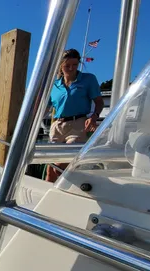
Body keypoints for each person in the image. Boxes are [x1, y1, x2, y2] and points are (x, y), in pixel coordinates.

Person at [46, 48, 104, 182]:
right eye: (67, 65)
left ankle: (66, 194)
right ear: (61, 65)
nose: (71, 68)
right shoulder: (54, 85)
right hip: (57, 126)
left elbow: (99, 102)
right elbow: (45, 107)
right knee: (50, 169)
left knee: (59, 167)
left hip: (78, 125)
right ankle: (47, 197)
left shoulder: (88, 79)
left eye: (75, 65)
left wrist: (94, 116)